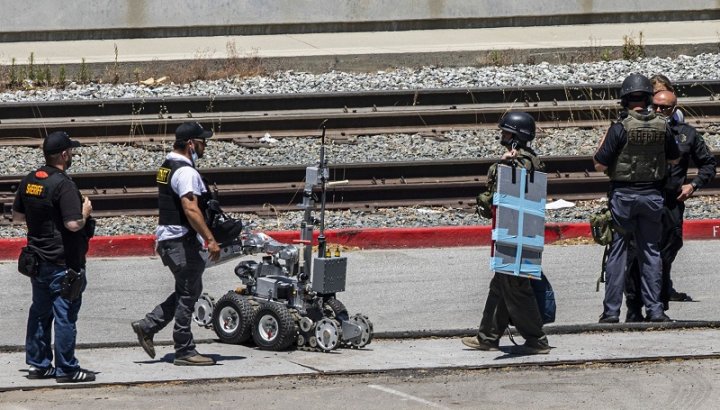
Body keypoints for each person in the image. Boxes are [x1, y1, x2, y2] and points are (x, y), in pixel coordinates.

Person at [132, 122, 221, 366]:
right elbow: (190, 208)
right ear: (191, 144)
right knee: (188, 293)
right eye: (202, 142)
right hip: (180, 241)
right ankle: (184, 350)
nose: (205, 146)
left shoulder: (167, 165)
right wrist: (210, 240)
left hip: (169, 239)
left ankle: (148, 326)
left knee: (189, 290)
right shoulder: (186, 172)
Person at [593, 73, 680, 323]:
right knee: (650, 252)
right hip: (652, 196)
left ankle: (611, 312)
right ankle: (655, 309)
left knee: (618, 253)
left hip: (623, 197)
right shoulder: (663, 126)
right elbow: (674, 158)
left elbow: (599, 164)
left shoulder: (620, 127)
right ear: (648, 98)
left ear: (625, 99)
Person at [461, 112, 550, 354]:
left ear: (516, 136)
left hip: (515, 232)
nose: (502, 134)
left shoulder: (517, 163)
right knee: (500, 286)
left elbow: (504, 192)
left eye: (507, 131)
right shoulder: (528, 159)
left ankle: (536, 339)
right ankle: (487, 337)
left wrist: (501, 165)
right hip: (517, 231)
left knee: (516, 287)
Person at [624, 90, 717, 321]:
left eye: (664, 108)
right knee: (636, 254)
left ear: (674, 109)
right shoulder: (637, 130)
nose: (658, 111)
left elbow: (708, 164)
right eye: (654, 106)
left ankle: (658, 306)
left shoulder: (686, 135)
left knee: (665, 253)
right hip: (643, 197)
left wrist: (692, 186)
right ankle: (634, 307)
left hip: (670, 202)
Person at [12, 131, 96, 383]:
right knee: (65, 315)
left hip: (37, 260)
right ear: (63, 154)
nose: (72, 155)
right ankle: (67, 369)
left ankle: (38, 365)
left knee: (40, 312)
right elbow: (73, 225)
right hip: (63, 262)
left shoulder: (30, 180)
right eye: (70, 151)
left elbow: (16, 218)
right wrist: (85, 212)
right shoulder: (64, 184)